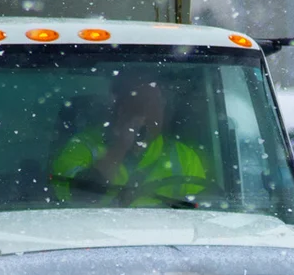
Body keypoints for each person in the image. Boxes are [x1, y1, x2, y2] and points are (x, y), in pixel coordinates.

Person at [50, 70, 212, 206]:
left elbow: (198, 213)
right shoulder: (83, 146)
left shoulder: (183, 156)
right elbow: (81, 198)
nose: (150, 115)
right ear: (120, 109)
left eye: (156, 105)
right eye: (141, 106)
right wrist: (120, 147)